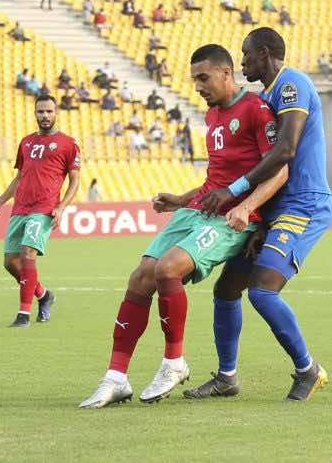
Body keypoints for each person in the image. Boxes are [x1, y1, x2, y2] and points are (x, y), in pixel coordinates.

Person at [78, 44, 286, 409]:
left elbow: (279, 170)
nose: (198, 87)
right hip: (198, 208)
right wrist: (180, 199)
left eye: (204, 78)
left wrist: (249, 210)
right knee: (140, 277)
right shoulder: (212, 116)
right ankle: (116, 377)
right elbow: (215, 179)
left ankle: (174, 362)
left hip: (232, 218)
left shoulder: (256, 110)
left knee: (167, 268)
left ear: (226, 73)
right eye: (194, 80)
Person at [191, 27, 332, 402]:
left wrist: (235, 192)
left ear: (265, 53)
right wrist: (260, 217)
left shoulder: (291, 85)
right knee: (226, 289)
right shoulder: (266, 96)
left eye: (246, 54)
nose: (242, 62)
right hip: (274, 207)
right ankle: (226, 378)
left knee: (262, 290)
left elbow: (285, 150)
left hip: (303, 203)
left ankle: (308, 370)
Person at [0, 94, 80, 327]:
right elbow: (19, 177)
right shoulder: (26, 142)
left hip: (44, 207)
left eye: (49, 111)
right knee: (10, 262)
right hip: (20, 207)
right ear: (35, 113)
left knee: (28, 253)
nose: (45, 115)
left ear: (56, 113)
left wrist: (61, 207)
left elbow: (75, 180)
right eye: (41, 111)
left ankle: (23, 315)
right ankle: (44, 295)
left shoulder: (68, 143)